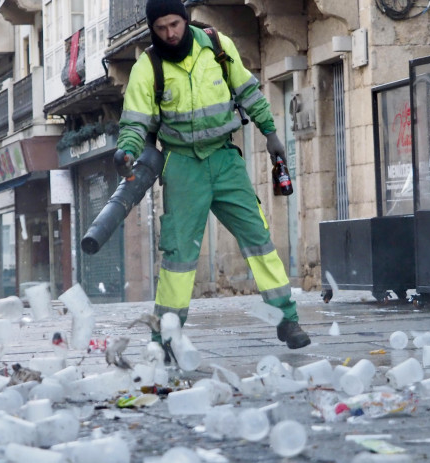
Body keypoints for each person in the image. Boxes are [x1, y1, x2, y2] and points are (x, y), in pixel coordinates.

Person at [116, 0, 311, 352]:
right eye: (160, 28)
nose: (169, 33)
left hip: (224, 159)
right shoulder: (148, 66)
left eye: (174, 24)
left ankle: (287, 318)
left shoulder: (217, 47)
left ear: (185, 20)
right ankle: (165, 336)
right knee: (178, 256)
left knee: (258, 237)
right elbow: (135, 119)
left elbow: (248, 92)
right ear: (152, 29)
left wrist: (271, 132)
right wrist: (127, 150)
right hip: (182, 165)